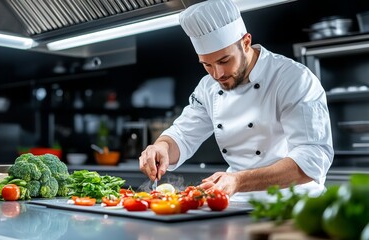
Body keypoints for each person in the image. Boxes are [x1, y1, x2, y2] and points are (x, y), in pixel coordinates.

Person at [139, 0, 334, 202]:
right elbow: (183, 135)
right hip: (237, 203)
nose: (218, 74)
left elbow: (312, 158)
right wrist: (161, 146)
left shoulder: (293, 78)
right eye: (207, 64)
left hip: (294, 204)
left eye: (224, 60)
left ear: (246, 42)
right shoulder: (208, 87)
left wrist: (239, 181)